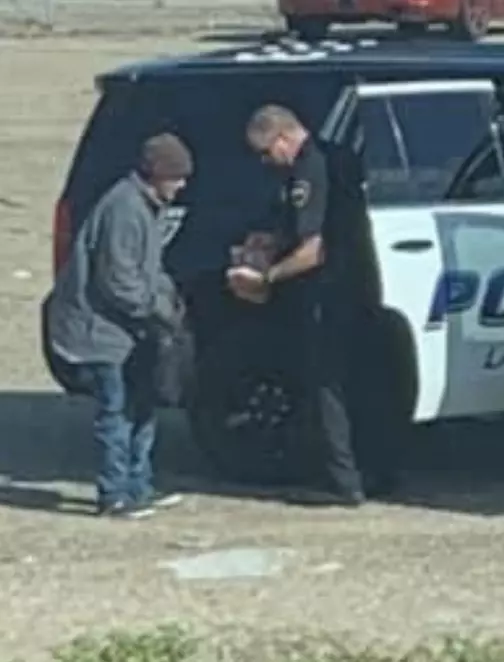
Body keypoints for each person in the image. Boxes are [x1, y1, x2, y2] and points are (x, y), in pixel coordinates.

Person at [227, 104, 389, 507]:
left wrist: (266, 277)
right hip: (362, 289)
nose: (266, 163)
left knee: (326, 386)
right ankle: (373, 471)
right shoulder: (338, 156)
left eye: (266, 153)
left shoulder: (309, 170)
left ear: (283, 138)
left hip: (331, 293)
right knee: (362, 384)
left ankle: (341, 481)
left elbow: (313, 249)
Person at [45, 133, 193, 519]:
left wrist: (169, 299)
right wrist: (159, 312)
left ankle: (138, 487)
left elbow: (150, 269)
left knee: (142, 407)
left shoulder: (148, 207)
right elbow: (119, 282)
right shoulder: (124, 209)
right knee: (116, 413)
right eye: (176, 177)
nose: (182, 185)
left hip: (130, 332)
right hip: (100, 333)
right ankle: (113, 496)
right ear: (156, 175)